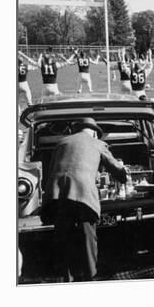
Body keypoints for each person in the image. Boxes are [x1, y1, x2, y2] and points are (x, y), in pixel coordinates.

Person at [45, 118, 127, 281]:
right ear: (94, 132)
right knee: (88, 237)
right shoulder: (97, 143)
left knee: (64, 236)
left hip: (57, 194)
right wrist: (124, 176)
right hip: (83, 194)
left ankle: (65, 278)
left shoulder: (62, 142)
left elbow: (53, 167)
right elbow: (116, 168)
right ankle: (90, 276)